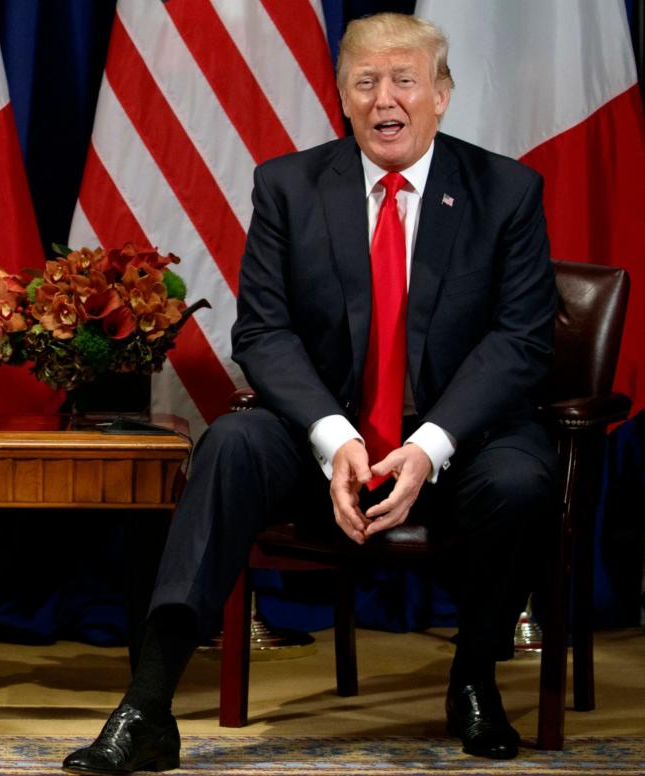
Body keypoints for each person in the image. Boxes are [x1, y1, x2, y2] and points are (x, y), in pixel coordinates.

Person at [63, 12, 557, 773]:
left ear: (442, 96)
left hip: (458, 444)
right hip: (326, 440)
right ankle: (149, 703)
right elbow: (263, 333)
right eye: (365, 82)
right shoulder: (288, 186)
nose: (384, 99)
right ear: (343, 96)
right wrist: (336, 439)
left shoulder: (506, 191)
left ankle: (475, 679)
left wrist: (427, 448)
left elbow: (520, 340)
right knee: (228, 443)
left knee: (524, 478)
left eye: (403, 80)